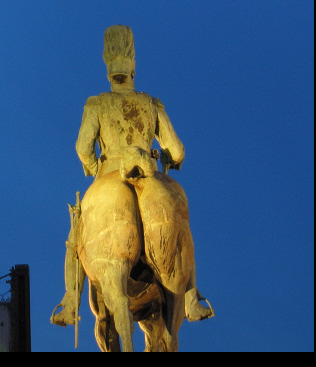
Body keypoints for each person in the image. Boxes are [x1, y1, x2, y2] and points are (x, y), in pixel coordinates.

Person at [51, 25, 213, 327]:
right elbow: (176, 151)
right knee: (180, 213)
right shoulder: (152, 104)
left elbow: (82, 147)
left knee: (76, 237)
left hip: (110, 171)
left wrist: (95, 165)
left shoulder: (97, 104)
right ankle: (191, 296)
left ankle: (70, 301)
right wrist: (163, 157)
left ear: (107, 67)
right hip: (149, 172)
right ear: (133, 67)